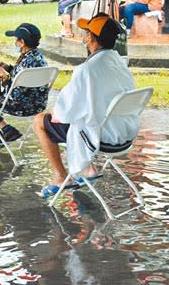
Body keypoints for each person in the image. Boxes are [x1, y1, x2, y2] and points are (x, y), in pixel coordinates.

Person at [33, 14, 138, 198]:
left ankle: (60, 176)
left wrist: (56, 113)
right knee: (86, 114)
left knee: (40, 121)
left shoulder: (87, 70)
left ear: (91, 37)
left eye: (86, 31)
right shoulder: (120, 63)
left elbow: (66, 111)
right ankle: (88, 170)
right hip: (124, 133)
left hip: (103, 137)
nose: (84, 35)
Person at [0, 23, 49, 145]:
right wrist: (8, 68)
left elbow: (15, 94)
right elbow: (24, 78)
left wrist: (5, 78)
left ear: (22, 42)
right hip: (38, 104)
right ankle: (2, 130)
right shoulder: (38, 57)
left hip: (21, 106)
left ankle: (1, 130)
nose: (15, 43)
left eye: (16, 40)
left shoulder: (25, 62)